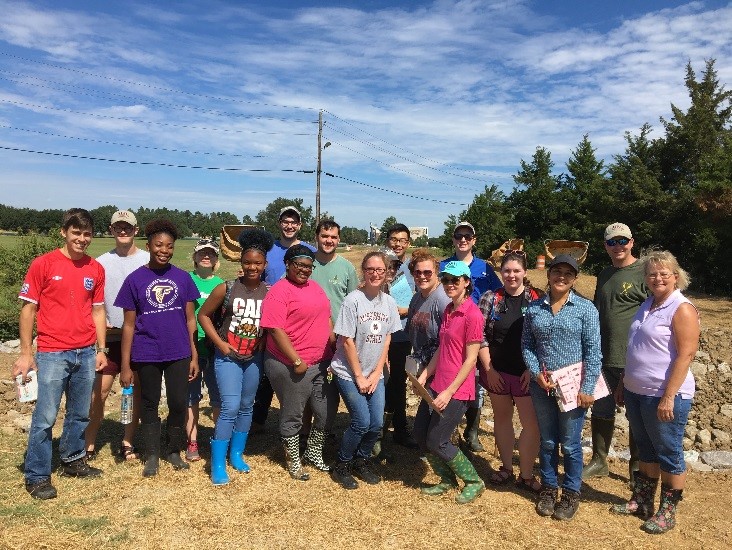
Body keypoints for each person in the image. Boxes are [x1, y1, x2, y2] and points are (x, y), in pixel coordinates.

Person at [15, 208, 107, 500]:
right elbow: (28, 309)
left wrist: (101, 349)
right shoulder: (43, 264)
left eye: (87, 233)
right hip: (53, 351)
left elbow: (98, 310)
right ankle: (38, 475)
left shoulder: (95, 268)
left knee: (80, 413)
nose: (82, 239)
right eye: (76, 232)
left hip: (86, 351)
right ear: (64, 232)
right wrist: (26, 352)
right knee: (45, 417)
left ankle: (72, 460)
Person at [611, 251, 699, 534]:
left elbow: (686, 355)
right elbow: (637, 346)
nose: (657, 278)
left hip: (664, 395)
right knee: (646, 450)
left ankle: (668, 510)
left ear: (676, 276)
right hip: (638, 392)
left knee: (668, 453)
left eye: (664, 273)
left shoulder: (681, 308)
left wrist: (669, 396)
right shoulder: (648, 303)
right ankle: (643, 501)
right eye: (652, 274)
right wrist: (625, 380)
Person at [115, 219, 200, 477]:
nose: (164, 250)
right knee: (149, 402)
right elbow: (128, 326)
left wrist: (194, 355)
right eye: (158, 245)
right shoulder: (135, 280)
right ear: (148, 245)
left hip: (179, 352)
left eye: (169, 246)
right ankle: (152, 454)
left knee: (177, 402)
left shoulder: (182, 278)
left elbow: (190, 319)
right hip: (146, 352)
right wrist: (126, 365)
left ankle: (173, 450)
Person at [522, 254, 602, 520]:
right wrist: (535, 374)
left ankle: (570, 492)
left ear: (575, 278)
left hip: (573, 388)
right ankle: (548, 487)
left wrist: (588, 386)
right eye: (557, 271)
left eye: (568, 273)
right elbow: (527, 345)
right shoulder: (534, 309)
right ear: (549, 275)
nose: (561, 277)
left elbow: (593, 351)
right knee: (547, 441)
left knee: (569, 443)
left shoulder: (586, 309)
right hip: (543, 386)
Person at [198, 229, 274, 485]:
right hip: (228, 357)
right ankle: (217, 463)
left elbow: (273, 323)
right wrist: (220, 343)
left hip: (254, 358)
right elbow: (203, 316)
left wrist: (263, 342)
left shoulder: (270, 291)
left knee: (246, 406)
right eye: (247, 262)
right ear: (240, 263)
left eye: (257, 263)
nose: (252, 267)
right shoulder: (227, 288)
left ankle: (236, 454)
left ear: (265, 265)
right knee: (229, 407)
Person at [260, 244, 337, 480]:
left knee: (325, 411)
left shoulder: (315, 288)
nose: (305, 270)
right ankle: (293, 460)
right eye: (299, 265)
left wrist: (334, 347)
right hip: (291, 363)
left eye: (308, 266)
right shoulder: (279, 291)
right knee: (293, 413)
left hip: (321, 361)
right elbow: (274, 328)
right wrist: (295, 359)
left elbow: (326, 318)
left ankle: (313, 452)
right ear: (287, 265)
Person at [413, 261, 486, 505]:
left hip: (457, 390)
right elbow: (442, 349)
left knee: (438, 440)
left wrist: (449, 391)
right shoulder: (448, 310)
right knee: (421, 435)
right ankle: (447, 479)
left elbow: (471, 359)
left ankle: (474, 481)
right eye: (446, 280)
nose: (450, 284)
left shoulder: (472, 315)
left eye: (455, 280)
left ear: (467, 282)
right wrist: (425, 375)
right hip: (436, 383)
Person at [330, 251, 401, 489]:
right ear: (363, 270)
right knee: (361, 421)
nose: (375, 274)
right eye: (370, 269)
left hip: (374, 373)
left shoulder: (389, 302)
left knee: (376, 424)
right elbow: (347, 341)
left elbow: (387, 340)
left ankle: (362, 460)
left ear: (387, 273)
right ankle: (342, 464)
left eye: (380, 270)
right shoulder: (353, 300)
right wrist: (360, 376)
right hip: (349, 372)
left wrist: (376, 373)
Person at [583, 223, 648, 483]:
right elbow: (599, 311)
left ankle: (636, 467)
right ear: (605, 246)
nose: (618, 246)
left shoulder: (644, 272)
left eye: (623, 240)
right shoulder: (605, 274)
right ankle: (599, 461)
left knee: (635, 416)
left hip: (632, 358)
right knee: (601, 410)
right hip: (603, 355)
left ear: (632, 242)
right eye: (612, 242)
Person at [85, 210, 148, 462]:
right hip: (109, 337)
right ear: (111, 230)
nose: (123, 231)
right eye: (118, 227)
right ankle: (88, 444)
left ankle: (127, 441)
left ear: (136, 230)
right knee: (99, 392)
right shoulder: (99, 262)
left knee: (134, 391)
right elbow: (91, 301)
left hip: (139, 336)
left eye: (128, 227)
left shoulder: (147, 260)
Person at [477, 251, 542, 492]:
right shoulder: (490, 298)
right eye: (507, 271)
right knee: (502, 419)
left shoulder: (538, 299)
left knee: (531, 424)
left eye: (516, 271)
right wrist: (489, 369)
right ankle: (506, 467)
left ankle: (526, 474)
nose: (511, 275)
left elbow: (543, 339)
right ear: (501, 272)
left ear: (525, 272)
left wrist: (531, 369)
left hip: (526, 374)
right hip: (497, 371)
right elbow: (480, 335)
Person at [252, 205, 316, 433]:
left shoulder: (309, 250)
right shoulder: (269, 250)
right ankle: (258, 420)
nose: (289, 226)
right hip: (270, 318)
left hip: (299, 320)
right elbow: (255, 274)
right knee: (267, 373)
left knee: (299, 373)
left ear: (299, 225)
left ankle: (301, 424)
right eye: (285, 221)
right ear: (279, 224)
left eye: (294, 222)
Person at [439, 221, 502, 452]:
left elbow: (498, 294)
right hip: (450, 328)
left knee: (475, 382)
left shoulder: (484, 267)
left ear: (474, 239)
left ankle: (471, 430)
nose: (463, 239)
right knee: (447, 377)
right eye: (458, 235)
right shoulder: (444, 265)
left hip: (476, 331)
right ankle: (448, 428)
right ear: (453, 239)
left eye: (467, 236)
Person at [185, 238, 224, 462]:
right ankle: (192, 441)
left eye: (210, 253)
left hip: (212, 346)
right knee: (192, 397)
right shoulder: (185, 280)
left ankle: (219, 439)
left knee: (217, 396)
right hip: (190, 346)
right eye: (202, 253)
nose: (206, 256)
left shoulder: (221, 283)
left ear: (216, 258)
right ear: (195, 256)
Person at [383, 223, 418, 449]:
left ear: (408, 243)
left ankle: (399, 427)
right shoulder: (380, 263)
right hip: (379, 334)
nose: (398, 243)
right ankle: (379, 428)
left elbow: (419, 298)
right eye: (394, 239)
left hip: (404, 336)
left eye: (402, 240)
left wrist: (406, 310)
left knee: (399, 380)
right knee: (382, 380)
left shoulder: (413, 269)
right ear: (388, 241)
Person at [405, 248, 450, 372]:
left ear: (436, 273)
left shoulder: (443, 299)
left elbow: (450, 342)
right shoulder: (416, 298)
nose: (422, 276)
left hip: (441, 369)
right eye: (417, 273)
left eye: (427, 272)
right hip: (422, 366)